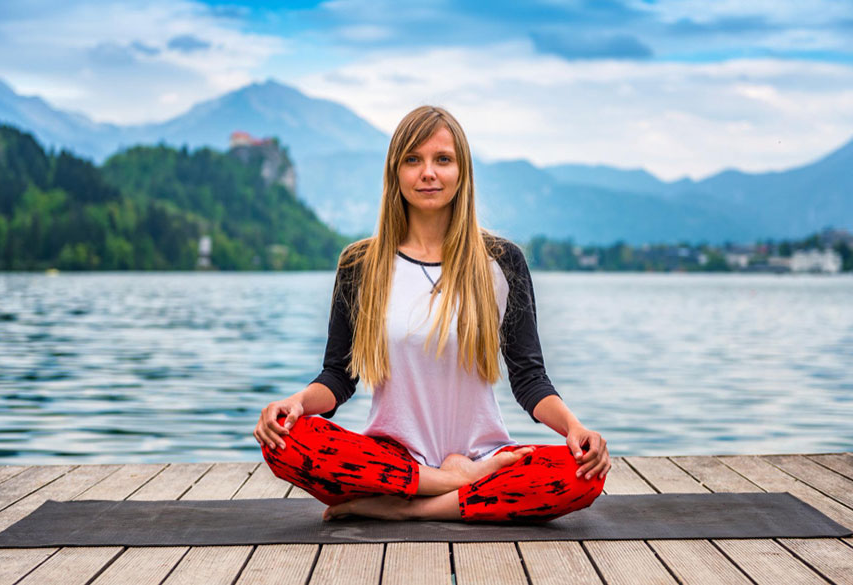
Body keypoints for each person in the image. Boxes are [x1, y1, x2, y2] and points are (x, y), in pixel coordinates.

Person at [253, 105, 610, 522]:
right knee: (286, 437)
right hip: (391, 460)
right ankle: (451, 485)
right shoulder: (360, 264)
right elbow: (338, 376)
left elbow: (529, 378)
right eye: (413, 160)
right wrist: (295, 403)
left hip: (484, 456)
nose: (428, 173)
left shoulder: (501, 261)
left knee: (582, 475)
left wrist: (574, 428)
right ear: (395, 172)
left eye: (442, 159)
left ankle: (407, 508)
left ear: (462, 172)